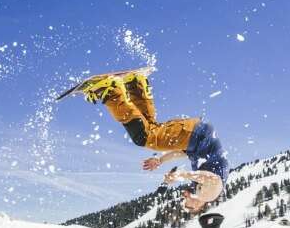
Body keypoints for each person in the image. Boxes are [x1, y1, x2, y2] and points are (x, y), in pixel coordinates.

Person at [80, 72, 229, 213]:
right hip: (197, 135)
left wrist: (160, 160)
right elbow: (210, 178)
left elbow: (183, 151)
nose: (184, 200)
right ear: (198, 207)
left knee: (150, 129)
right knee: (145, 138)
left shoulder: (202, 176)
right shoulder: (208, 195)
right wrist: (180, 175)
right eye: (187, 207)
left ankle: (136, 84)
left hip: (197, 135)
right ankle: (110, 90)